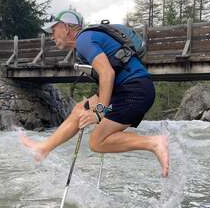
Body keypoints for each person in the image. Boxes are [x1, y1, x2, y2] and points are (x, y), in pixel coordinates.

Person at [19, 9, 169, 176]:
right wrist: (98, 107)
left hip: (134, 93)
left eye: (53, 30)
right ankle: (43, 149)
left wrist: (99, 113)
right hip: (125, 91)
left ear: (67, 28)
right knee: (79, 109)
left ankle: (154, 143)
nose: (51, 36)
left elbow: (107, 73)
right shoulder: (85, 42)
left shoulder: (84, 39)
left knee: (96, 142)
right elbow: (110, 75)